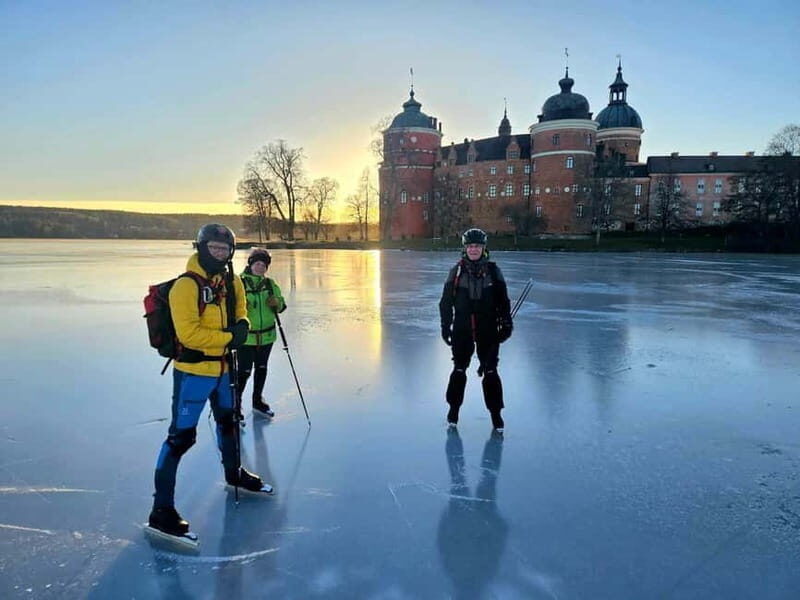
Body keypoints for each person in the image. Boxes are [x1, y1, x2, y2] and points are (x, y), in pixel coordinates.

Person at [148, 223, 272, 540]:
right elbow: (189, 335)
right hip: (193, 373)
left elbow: (241, 310)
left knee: (228, 423)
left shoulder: (231, 282)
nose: (219, 254)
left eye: (224, 249)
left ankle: (234, 473)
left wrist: (242, 326)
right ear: (201, 248)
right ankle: (161, 510)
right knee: (180, 438)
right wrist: (232, 337)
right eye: (213, 248)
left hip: (224, 370)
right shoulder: (185, 286)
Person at [439, 228, 513, 432]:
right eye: (470, 246)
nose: (473, 249)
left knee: (490, 370)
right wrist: (445, 326)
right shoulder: (456, 272)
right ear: (465, 248)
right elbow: (445, 302)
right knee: (459, 369)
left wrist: (506, 323)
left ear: (483, 248)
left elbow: (503, 301)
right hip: (462, 328)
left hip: (488, 328)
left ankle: (496, 414)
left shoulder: (494, 272)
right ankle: (453, 410)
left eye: (477, 246)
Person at [237, 248, 286, 418]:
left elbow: (281, 306)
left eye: (263, 265)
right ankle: (236, 404)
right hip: (246, 338)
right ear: (250, 264)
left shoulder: (270, 284)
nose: (260, 267)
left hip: (267, 337)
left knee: (261, 368)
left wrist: (276, 303)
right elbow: (230, 309)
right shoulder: (239, 283)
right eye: (257, 264)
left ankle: (257, 401)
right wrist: (242, 307)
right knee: (243, 372)